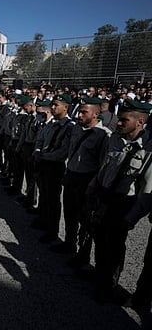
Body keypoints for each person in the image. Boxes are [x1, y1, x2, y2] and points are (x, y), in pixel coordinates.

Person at [88, 98, 152, 303]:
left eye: (124, 120)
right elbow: (105, 167)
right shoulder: (116, 139)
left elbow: (147, 189)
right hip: (104, 196)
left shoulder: (148, 150)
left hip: (122, 204)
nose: (118, 123)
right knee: (99, 239)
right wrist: (92, 190)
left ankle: (109, 284)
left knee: (115, 246)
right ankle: (99, 275)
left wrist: (131, 218)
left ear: (140, 122)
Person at [52, 97, 111, 257]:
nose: (79, 115)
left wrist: (94, 186)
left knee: (85, 218)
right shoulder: (77, 129)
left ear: (96, 114)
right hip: (72, 176)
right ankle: (69, 243)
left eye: (84, 112)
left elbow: (102, 165)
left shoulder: (104, 136)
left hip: (87, 180)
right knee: (69, 213)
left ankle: (82, 254)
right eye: (79, 111)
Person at [33, 93, 74, 243]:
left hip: (56, 166)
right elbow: (40, 139)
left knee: (53, 199)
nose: (53, 107)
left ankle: (52, 230)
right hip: (44, 162)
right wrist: (37, 152)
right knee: (44, 193)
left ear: (66, 107)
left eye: (56, 105)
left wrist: (43, 156)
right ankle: (43, 220)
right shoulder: (50, 124)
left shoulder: (70, 127)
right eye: (53, 104)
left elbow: (63, 152)